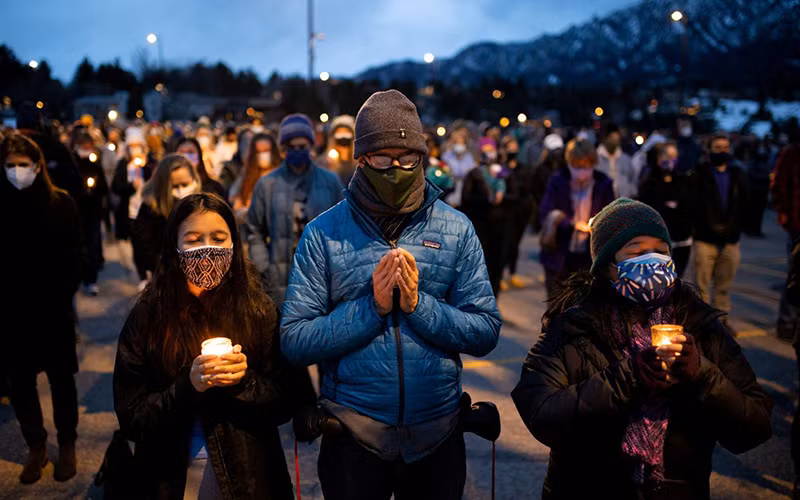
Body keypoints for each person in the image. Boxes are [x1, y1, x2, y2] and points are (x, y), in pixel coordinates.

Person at [280, 89, 501, 500]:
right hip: (353, 433)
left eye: (407, 157)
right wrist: (372, 309)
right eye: (383, 158)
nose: (396, 168)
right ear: (361, 159)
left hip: (438, 432)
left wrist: (420, 307)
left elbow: (485, 329)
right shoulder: (324, 234)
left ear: (423, 157)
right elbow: (295, 340)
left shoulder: (456, 229)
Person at [512, 198, 772, 499]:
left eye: (660, 252)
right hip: (586, 489)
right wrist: (628, 377)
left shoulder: (700, 325)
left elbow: (755, 426)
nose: (651, 262)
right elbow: (542, 414)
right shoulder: (573, 327)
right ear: (607, 267)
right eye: (635, 252)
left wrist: (702, 374)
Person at [114, 193, 315, 499]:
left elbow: (287, 400)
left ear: (233, 244)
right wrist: (188, 387)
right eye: (194, 239)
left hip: (249, 474)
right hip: (170, 476)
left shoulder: (258, 309)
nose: (207, 248)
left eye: (218, 238)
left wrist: (244, 382)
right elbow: (132, 418)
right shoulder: (149, 316)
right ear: (174, 247)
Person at [1, 134, 84, 484]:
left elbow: (76, 257)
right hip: (11, 314)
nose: (17, 170)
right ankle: (36, 445)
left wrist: (63, 293)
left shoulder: (60, 204)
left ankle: (67, 444)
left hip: (53, 311)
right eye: (10, 165)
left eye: (24, 164)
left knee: (62, 380)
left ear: (37, 166)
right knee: (21, 384)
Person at [245, 113, 344, 306]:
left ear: (311, 146)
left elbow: (344, 226)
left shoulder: (330, 181)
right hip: (279, 278)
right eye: (291, 147)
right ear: (283, 149)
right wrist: (265, 268)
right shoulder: (267, 184)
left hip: (323, 277)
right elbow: (254, 230)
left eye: (302, 147)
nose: (297, 151)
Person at [539, 137, 615, 298]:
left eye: (586, 166)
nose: (582, 171)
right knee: (557, 306)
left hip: (590, 257)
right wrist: (570, 224)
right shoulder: (557, 181)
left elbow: (611, 216)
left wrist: (596, 226)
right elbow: (545, 211)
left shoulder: (603, 184)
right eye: (577, 166)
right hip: (559, 254)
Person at [692, 133, 749, 316]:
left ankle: (721, 322)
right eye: (717, 148)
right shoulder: (699, 174)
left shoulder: (737, 174)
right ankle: (703, 324)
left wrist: (736, 228)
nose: (722, 151)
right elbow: (692, 204)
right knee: (701, 287)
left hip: (730, 239)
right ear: (709, 150)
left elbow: (744, 203)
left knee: (724, 286)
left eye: (725, 148)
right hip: (705, 239)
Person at [135, 154, 202, 280]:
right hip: (167, 277)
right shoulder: (151, 208)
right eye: (175, 186)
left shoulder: (205, 202)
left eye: (185, 184)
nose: (181, 190)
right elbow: (143, 246)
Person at [637, 141, 694, 277]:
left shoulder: (683, 180)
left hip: (681, 240)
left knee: (678, 277)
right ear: (658, 159)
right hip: (658, 242)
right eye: (666, 156)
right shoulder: (649, 182)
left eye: (673, 156)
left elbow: (688, 205)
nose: (669, 160)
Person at [461, 137, 507, 296]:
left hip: (498, 226)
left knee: (496, 263)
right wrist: (486, 200)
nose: (489, 153)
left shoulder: (500, 171)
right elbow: (466, 198)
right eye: (486, 149)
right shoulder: (474, 173)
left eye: (491, 148)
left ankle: (495, 294)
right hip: (480, 223)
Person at [112, 127, 155, 290]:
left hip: (148, 211)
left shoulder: (149, 162)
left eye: (138, 145)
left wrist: (145, 171)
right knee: (137, 244)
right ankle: (142, 275)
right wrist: (130, 186)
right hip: (130, 212)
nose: (135, 148)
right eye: (132, 145)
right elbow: (116, 186)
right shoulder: (123, 164)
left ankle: (152, 270)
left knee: (149, 242)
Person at [73, 131, 110, 295]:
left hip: (93, 212)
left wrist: (94, 190)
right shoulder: (72, 165)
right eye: (83, 147)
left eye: (88, 147)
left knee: (92, 245)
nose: (86, 150)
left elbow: (104, 189)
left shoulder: (95, 165)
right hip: (76, 211)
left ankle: (91, 279)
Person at [773, 121, 800, 343]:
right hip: (797, 225)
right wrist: (784, 212)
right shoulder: (791, 153)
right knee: (795, 275)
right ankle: (787, 322)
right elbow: (779, 184)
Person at [500, 135, 535, 289]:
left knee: (515, 244)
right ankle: (500, 275)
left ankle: (512, 273)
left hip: (520, 211)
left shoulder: (523, 168)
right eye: (509, 148)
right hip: (505, 212)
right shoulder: (500, 168)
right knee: (504, 244)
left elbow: (527, 188)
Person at [229, 132, 281, 224]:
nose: (263, 155)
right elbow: (237, 207)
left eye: (266, 150)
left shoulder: (282, 175)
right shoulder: (246, 176)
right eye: (259, 152)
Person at [530, 133, 567, 233]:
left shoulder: (566, 168)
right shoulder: (540, 169)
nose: (556, 154)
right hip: (547, 211)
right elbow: (535, 190)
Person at [175, 136, 228, 201]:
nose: (186, 156)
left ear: (199, 157)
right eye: (182, 152)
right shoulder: (166, 188)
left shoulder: (215, 188)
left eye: (190, 152)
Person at [597, 123, 638, 199]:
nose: (615, 141)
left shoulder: (625, 159)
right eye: (612, 138)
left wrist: (632, 192)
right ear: (604, 139)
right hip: (602, 202)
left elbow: (633, 179)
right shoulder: (595, 160)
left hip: (623, 202)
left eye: (617, 138)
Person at [441, 127, 476, 207]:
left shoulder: (468, 156)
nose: (460, 145)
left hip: (465, 187)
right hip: (450, 185)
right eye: (457, 143)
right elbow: (448, 169)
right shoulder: (447, 155)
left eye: (462, 143)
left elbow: (468, 171)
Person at [323, 115, 358, 186]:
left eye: (346, 137)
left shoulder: (360, 164)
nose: (343, 144)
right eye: (339, 138)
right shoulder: (323, 164)